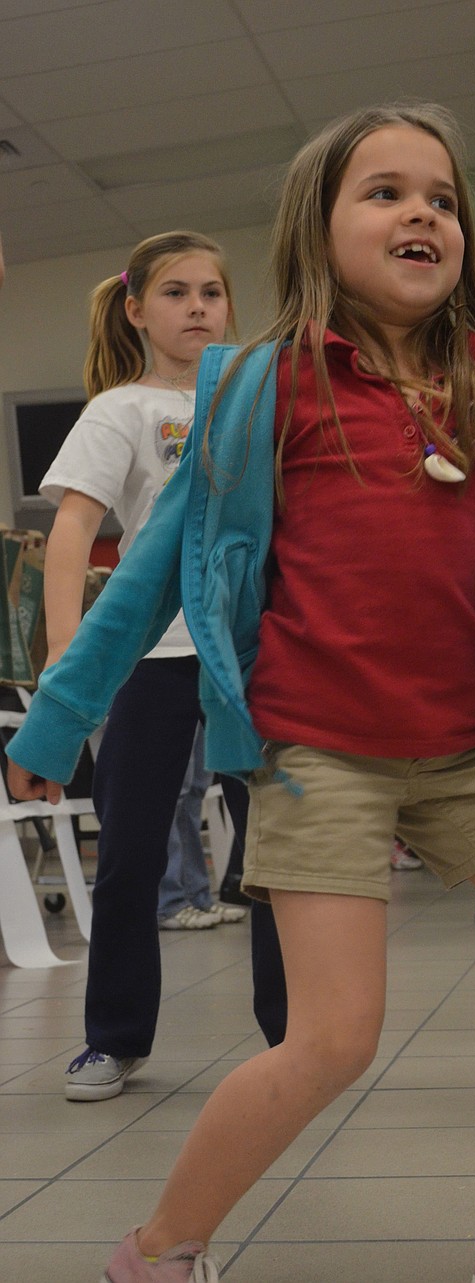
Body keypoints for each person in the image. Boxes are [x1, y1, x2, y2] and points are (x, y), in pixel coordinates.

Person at [6, 103, 475, 1283]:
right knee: (329, 1037)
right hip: (320, 751)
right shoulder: (260, 388)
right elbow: (147, 577)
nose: (422, 210)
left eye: (442, 196)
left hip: (474, 749)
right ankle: (158, 1248)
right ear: (318, 231)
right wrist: (59, 721)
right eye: (385, 191)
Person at [39, 231, 284, 1103]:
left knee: (275, 854)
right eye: (176, 293)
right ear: (138, 309)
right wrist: (68, 649)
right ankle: (114, 1037)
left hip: (250, 658)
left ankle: (290, 1040)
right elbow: (73, 525)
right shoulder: (121, 409)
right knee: (132, 851)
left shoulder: (255, 402)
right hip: (150, 657)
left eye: (212, 293)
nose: (197, 309)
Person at [157, 723, 247, 930]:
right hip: (162, 696)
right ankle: (169, 903)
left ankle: (197, 896)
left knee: (194, 791)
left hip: (196, 695)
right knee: (172, 792)